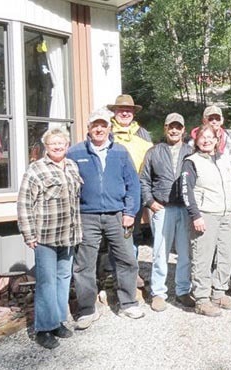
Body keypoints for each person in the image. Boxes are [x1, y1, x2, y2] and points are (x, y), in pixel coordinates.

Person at [67, 108, 144, 328]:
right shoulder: (75, 153)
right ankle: (88, 309)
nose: (99, 129)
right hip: (87, 216)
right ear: (89, 128)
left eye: (103, 125)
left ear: (109, 128)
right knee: (84, 265)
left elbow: (133, 185)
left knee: (126, 259)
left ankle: (128, 303)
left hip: (117, 215)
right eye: (95, 125)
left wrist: (130, 212)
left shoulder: (120, 152)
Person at [16, 128, 82, 349]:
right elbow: (24, 203)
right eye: (53, 143)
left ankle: (57, 322)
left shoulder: (72, 166)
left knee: (63, 278)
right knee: (46, 282)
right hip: (45, 236)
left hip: (69, 234)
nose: (57, 146)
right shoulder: (35, 170)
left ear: (67, 145)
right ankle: (43, 329)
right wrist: (28, 233)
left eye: (61, 142)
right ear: (46, 146)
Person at [181, 124, 231, 317]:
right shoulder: (191, 161)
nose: (207, 140)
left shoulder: (225, 160)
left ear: (217, 140)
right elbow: (186, 190)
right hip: (205, 214)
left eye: (211, 137)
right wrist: (195, 215)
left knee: (226, 255)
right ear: (196, 140)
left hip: (226, 214)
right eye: (203, 137)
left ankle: (219, 293)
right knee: (203, 257)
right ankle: (201, 299)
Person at [139, 113, 193, 312]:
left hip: (185, 209)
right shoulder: (154, 151)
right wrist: (150, 202)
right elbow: (144, 180)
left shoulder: (191, 151)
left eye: (178, 127)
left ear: (183, 130)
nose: (174, 130)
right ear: (165, 128)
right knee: (160, 252)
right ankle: (159, 293)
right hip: (162, 208)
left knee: (185, 252)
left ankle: (183, 291)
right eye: (171, 126)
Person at [107, 94, 153, 287]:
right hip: (113, 191)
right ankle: (115, 274)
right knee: (114, 234)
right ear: (115, 112)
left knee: (131, 233)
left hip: (136, 192)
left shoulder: (142, 133)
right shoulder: (107, 133)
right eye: (121, 109)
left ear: (133, 112)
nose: (125, 112)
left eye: (129, 110)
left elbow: (151, 162)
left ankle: (131, 274)